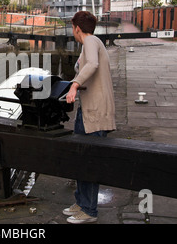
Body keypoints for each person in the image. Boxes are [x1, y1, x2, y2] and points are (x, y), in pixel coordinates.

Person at [63, 11, 116, 224]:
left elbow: (92, 64)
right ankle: (81, 202)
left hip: (95, 111)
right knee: (80, 158)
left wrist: (74, 85)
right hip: (87, 111)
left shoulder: (91, 41)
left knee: (89, 161)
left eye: (72, 28)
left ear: (77, 28)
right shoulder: (92, 43)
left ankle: (89, 210)